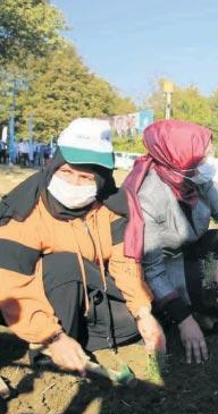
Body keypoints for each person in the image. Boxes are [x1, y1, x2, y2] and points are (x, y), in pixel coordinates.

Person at [0, 118, 165, 376]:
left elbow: (124, 264)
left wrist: (143, 312)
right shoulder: (23, 211)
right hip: (28, 298)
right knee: (63, 265)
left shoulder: (112, 207)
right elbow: (11, 283)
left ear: (100, 180)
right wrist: (51, 337)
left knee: (134, 325)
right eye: (66, 173)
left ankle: (72, 341)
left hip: (86, 293)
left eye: (85, 177)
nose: (73, 185)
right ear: (53, 167)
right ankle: (47, 348)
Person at [122, 120, 218, 365]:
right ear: (178, 159)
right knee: (180, 306)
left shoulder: (197, 178)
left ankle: (202, 307)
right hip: (162, 266)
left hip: (191, 252)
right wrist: (184, 320)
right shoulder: (148, 197)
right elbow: (152, 268)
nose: (209, 163)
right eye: (204, 157)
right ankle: (177, 312)